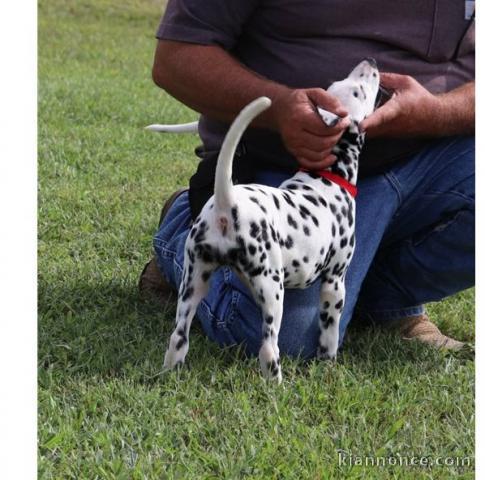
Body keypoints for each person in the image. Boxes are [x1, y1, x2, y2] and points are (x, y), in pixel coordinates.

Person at [140, 0, 475, 358]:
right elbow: (176, 57)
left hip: (430, 157)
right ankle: (189, 231)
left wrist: (437, 113)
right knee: (285, 341)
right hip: (289, 171)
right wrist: (281, 106)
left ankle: (377, 299)